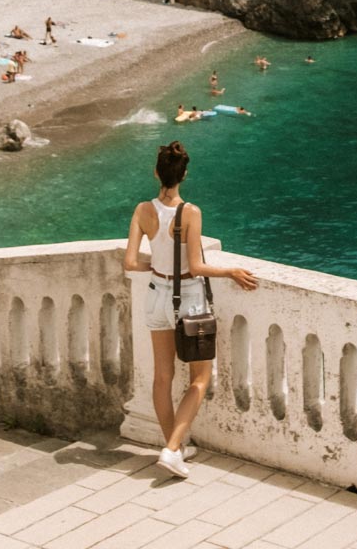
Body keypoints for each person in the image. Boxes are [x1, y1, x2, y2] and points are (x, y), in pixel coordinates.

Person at [123, 141, 257, 481]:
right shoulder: (191, 213)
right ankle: (171, 448)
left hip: (155, 295)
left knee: (162, 377)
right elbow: (196, 266)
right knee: (199, 378)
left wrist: (163, 264)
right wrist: (230, 271)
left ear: (156, 172)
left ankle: (175, 448)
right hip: (189, 299)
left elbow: (130, 261)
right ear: (185, 175)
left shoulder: (142, 210)